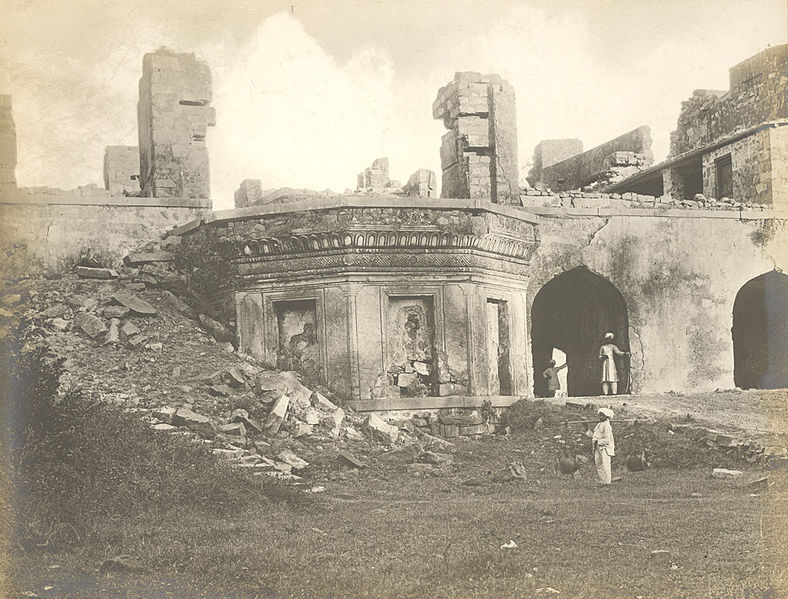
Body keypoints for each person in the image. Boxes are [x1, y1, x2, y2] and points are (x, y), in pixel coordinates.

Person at [584, 407, 616, 485]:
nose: (600, 417)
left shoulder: (607, 425)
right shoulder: (599, 424)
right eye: (600, 415)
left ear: (607, 417)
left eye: (602, 416)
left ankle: (607, 482)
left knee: (605, 465)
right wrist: (586, 428)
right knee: (598, 464)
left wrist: (598, 442)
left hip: (604, 448)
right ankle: (603, 481)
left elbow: (607, 440)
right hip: (597, 447)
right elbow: (594, 436)